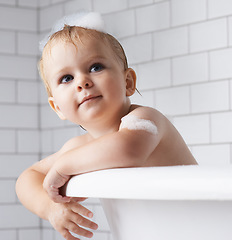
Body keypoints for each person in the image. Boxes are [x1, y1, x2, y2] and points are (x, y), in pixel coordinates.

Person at [16, 12, 197, 240]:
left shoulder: (146, 119)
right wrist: (50, 208)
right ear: (57, 108)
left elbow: (127, 150)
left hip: (200, 227)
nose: (82, 81)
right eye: (66, 78)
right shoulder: (80, 146)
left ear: (128, 82)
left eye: (95, 67)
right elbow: (28, 177)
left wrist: (62, 167)